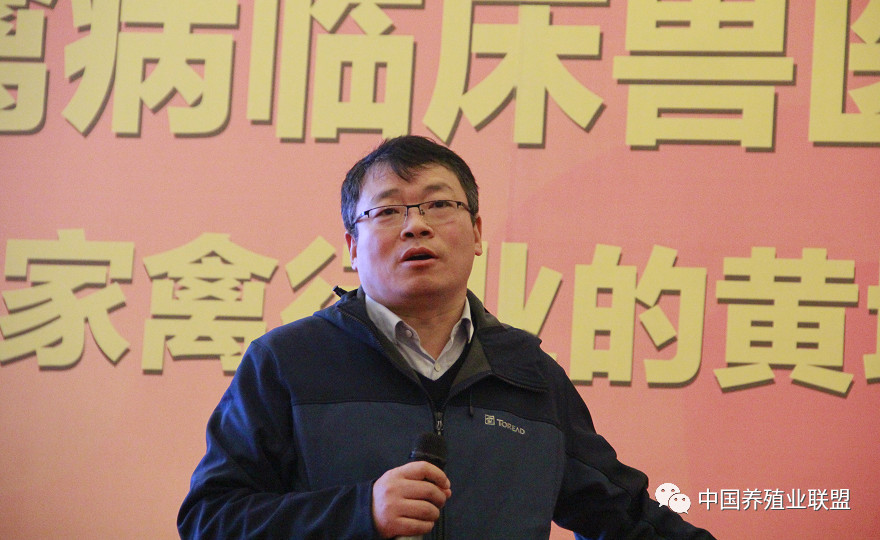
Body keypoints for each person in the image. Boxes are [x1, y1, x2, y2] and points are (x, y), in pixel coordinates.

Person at [178, 135, 715, 539]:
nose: (416, 225)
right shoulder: (288, 362)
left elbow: (625, 517)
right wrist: (360, 512)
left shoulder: (528, 374)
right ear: (352, 247)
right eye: (388, 210)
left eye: (438, 204)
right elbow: (209, 519)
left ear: (477, 233)